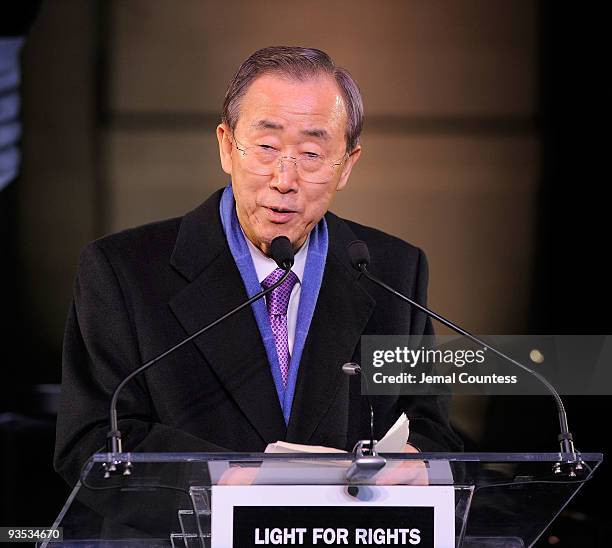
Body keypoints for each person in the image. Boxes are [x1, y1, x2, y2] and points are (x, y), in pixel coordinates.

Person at [54, 46, 462, 488]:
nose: (284, 180)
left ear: (346, 166)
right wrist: (226, 482)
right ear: (227, 147)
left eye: (311, 154)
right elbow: (91, 442)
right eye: (266, 147)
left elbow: (431, 426)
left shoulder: (393, 271)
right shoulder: (123, 272)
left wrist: (418, 460)